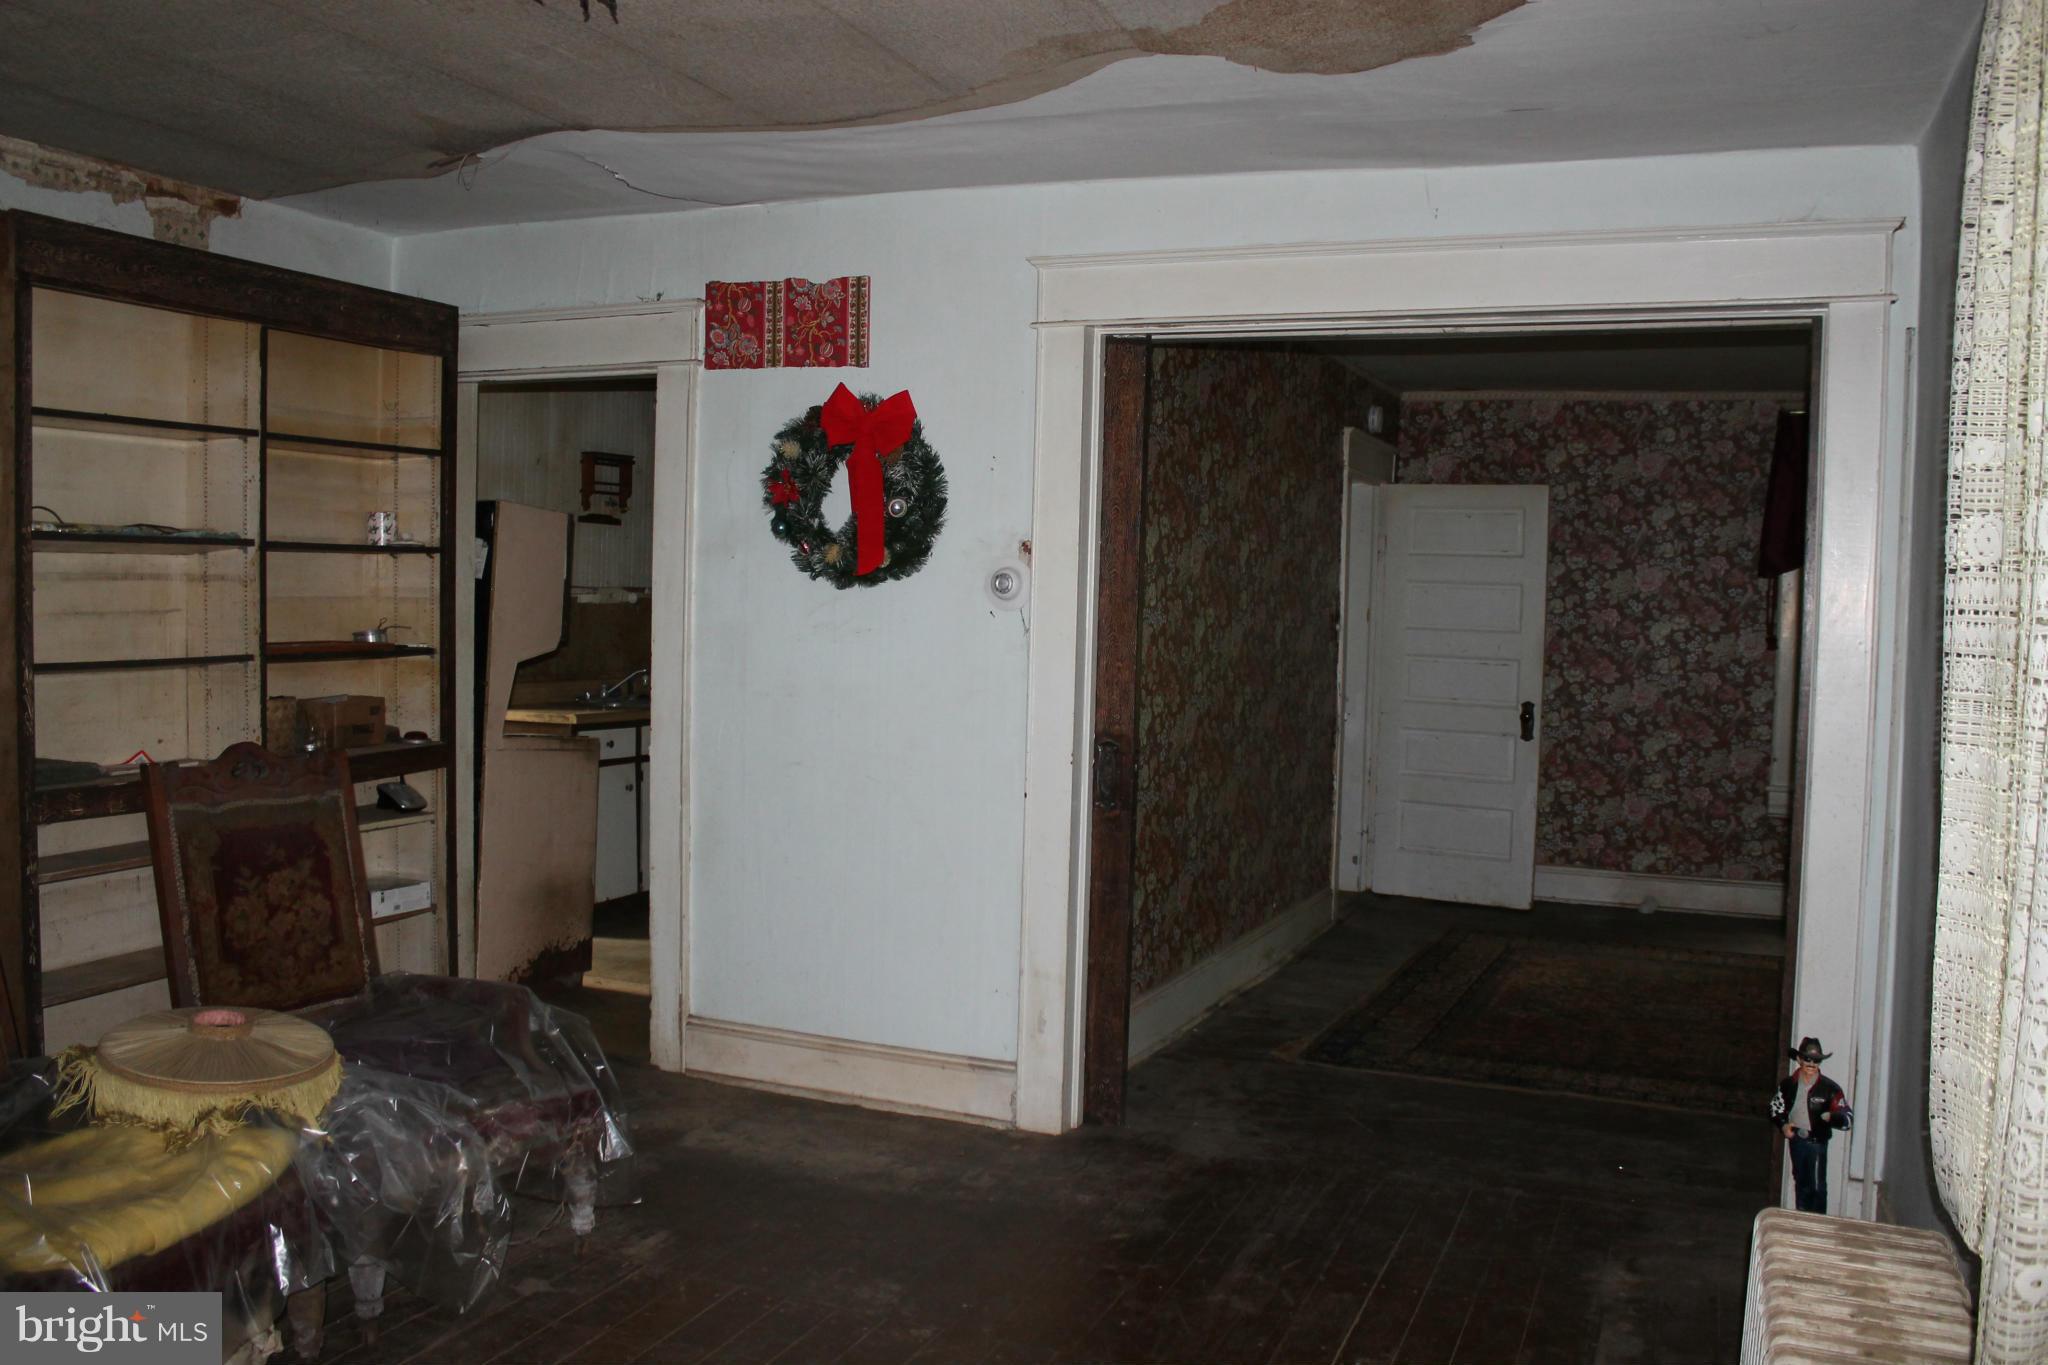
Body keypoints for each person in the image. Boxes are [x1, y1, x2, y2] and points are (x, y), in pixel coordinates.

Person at [1769, 1037, 1852, 1214]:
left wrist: (1832, 1117)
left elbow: (1847, 1117)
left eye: (1816, 1060)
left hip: (1817, 1142)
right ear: (1799, 1060)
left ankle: (1818, 1221)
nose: (1811, 1064)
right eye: (1807, 1059)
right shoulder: (1788, 1085)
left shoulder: (1830, 1089)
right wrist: (1784, 1126)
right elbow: (1775, 1108)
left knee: (1817, 1186)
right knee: (1801, 1181)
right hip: (1798, 1139)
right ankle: (1803, 1217)